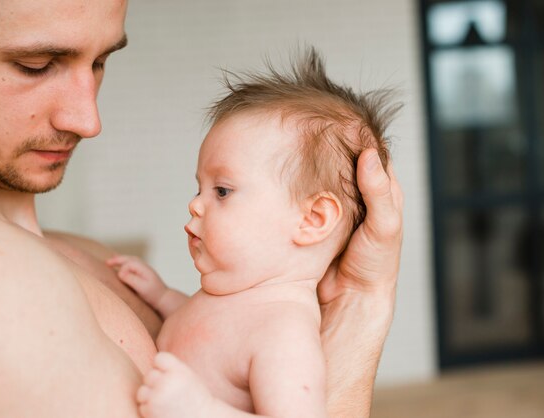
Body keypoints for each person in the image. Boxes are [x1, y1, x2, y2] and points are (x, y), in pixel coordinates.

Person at [0, 0, 403, 417]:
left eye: (101, 61)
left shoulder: (82, 253)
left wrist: (359, 303)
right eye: (36, 65)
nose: (89, 120)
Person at [106, 47, 400, 418]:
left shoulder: (284, 334)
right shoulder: (238, 296)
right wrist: (162, 297)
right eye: (200, 188)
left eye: (222, 191)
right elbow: (207, 337)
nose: (195, 204)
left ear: (312, 219)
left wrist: (198, 409)